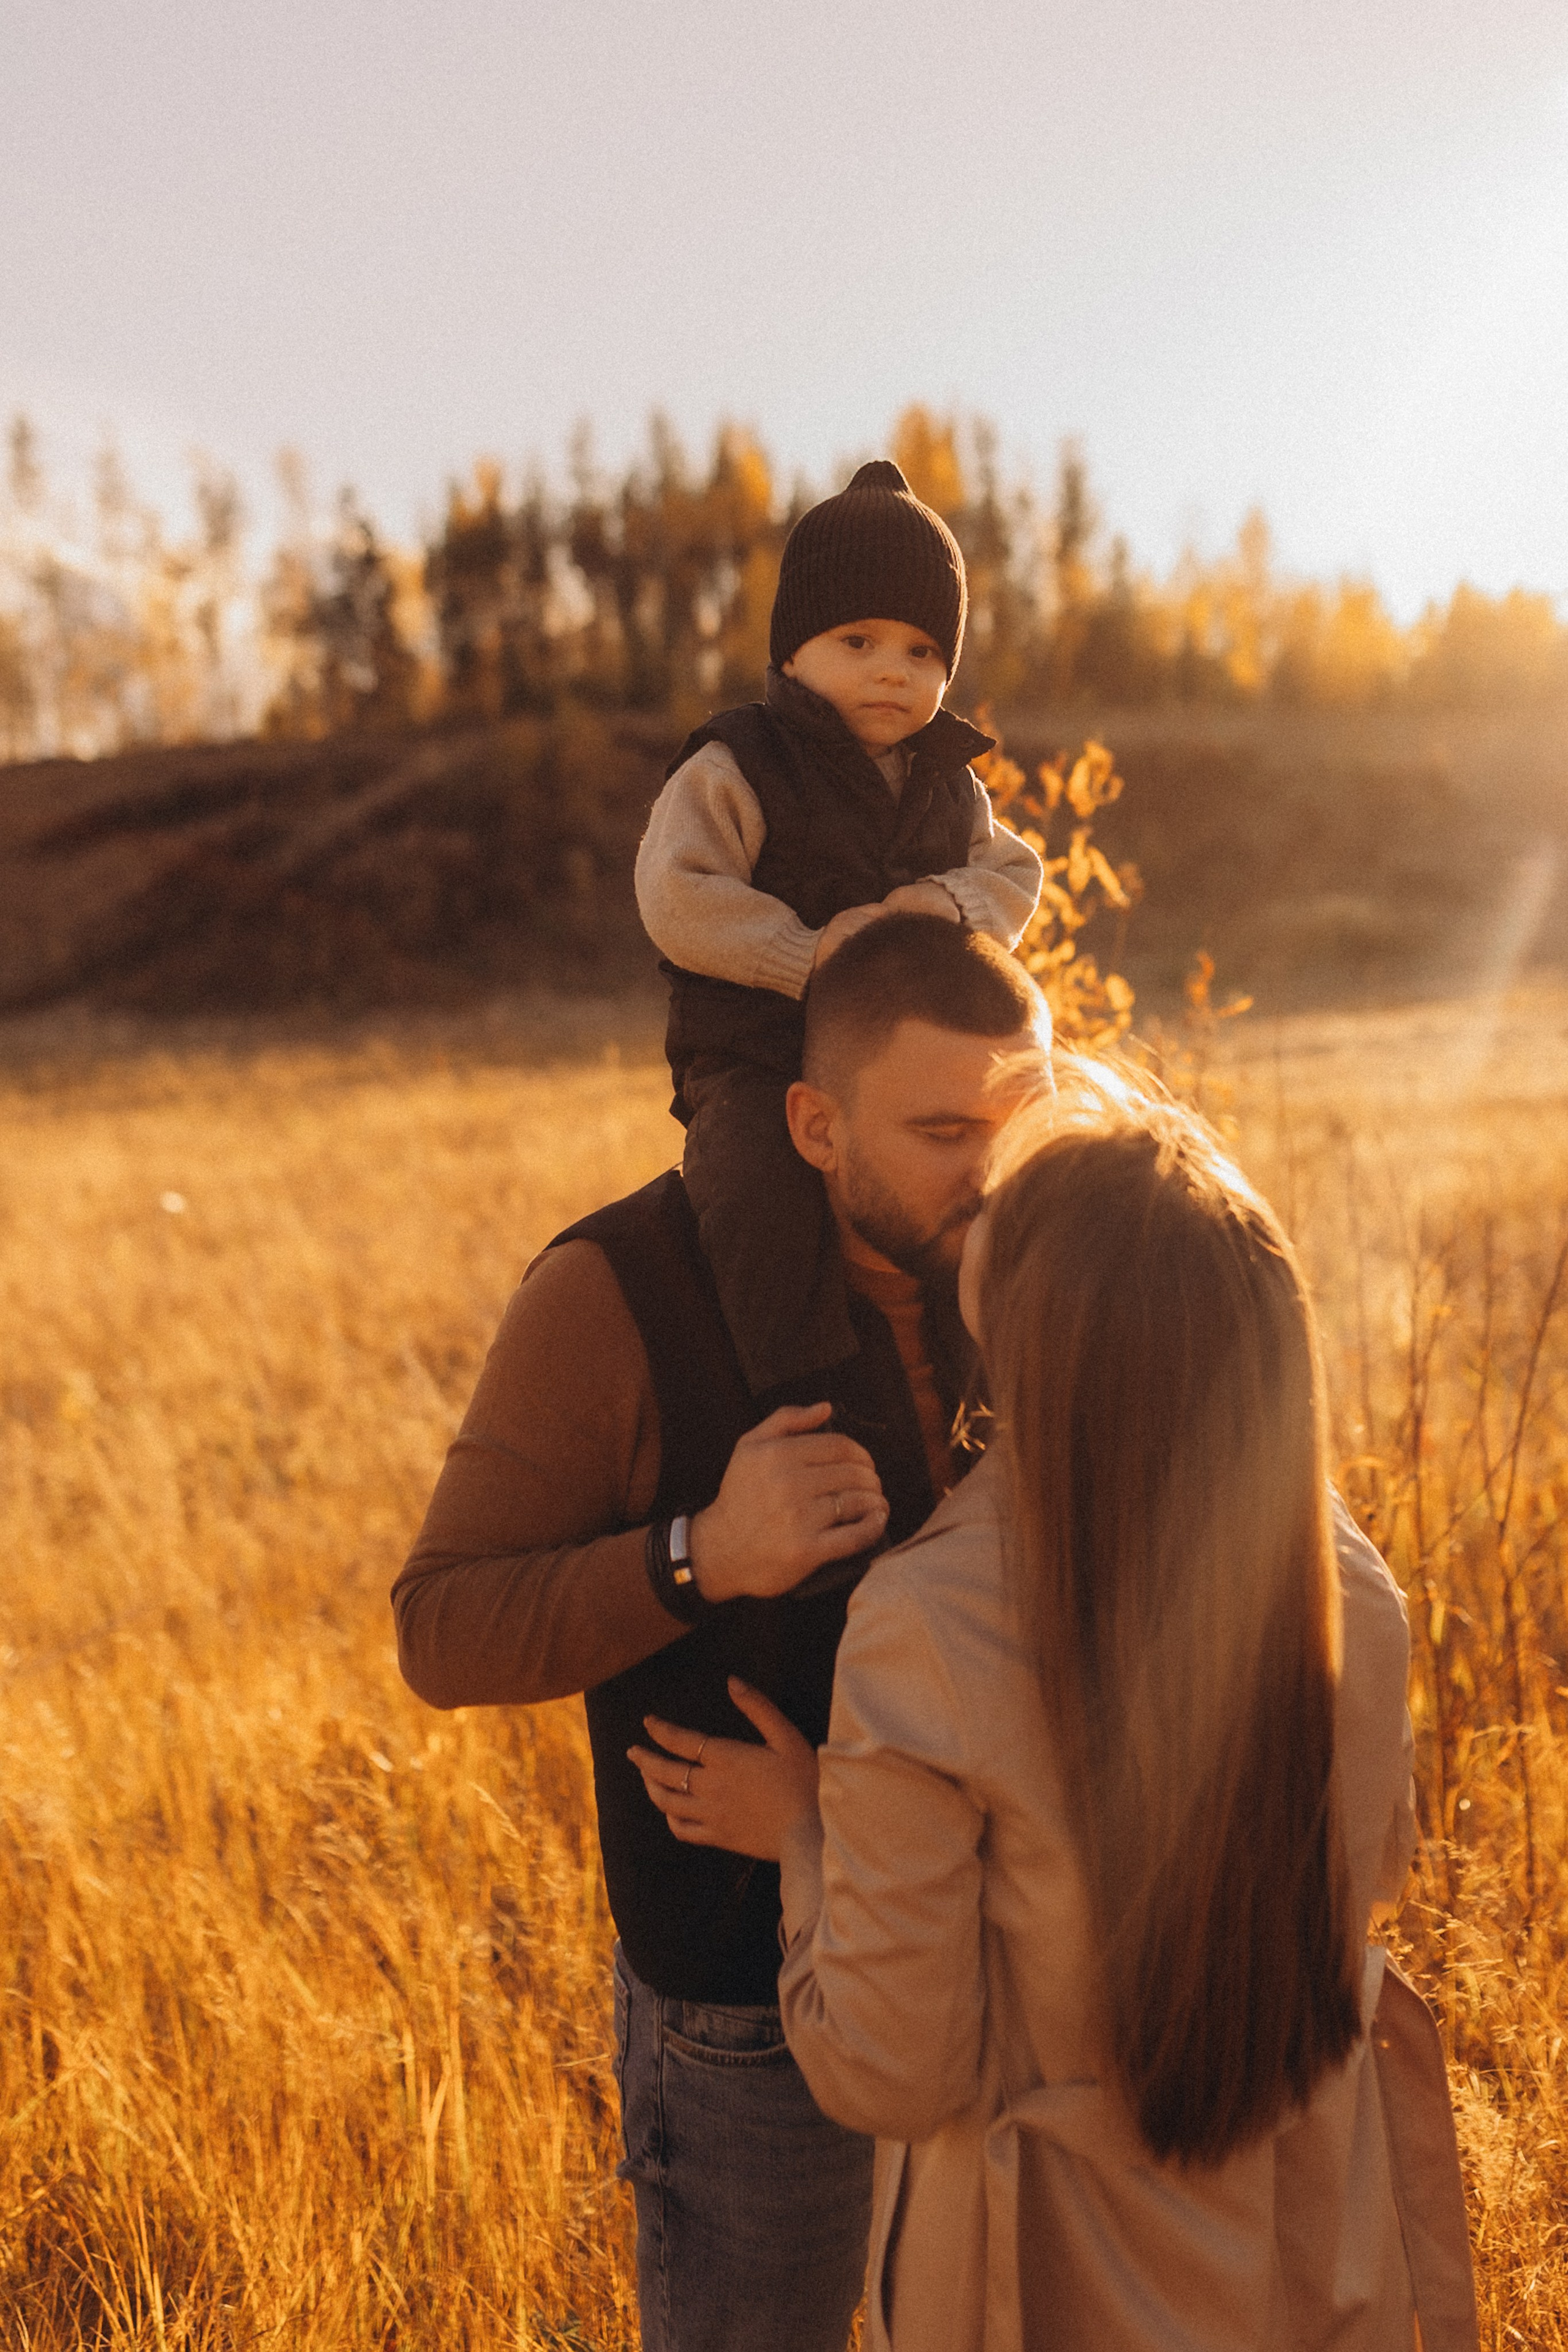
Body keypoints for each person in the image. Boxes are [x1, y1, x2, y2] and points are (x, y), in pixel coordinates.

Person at [631, 1090, 1479, 2351]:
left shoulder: (931, 1618)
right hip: (1313, 2252)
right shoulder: (1347, 1580)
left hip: (1059, 2276)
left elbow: (893, 2067)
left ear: (1030, 1329)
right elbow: (1369, 1871)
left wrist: (808, 1834)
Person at [391, 913, 1052, 2352]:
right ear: (813, 1124)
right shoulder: (621, 1290)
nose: (990, 1168)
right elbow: (438, 1629)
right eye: (941, 1131)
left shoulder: (1029, 1262)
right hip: (750, 2023)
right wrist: (700, 1555)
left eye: (1016, 1119)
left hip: (1009, 1965)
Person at [636, 457, 1042, 1396]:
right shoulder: (739, 763)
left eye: (922, 653)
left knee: (980, 1191)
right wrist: (802, 952)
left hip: (911, 1069)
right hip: (758, 1054)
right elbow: (677, 893)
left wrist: (949, 903)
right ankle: (800, 1399)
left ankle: (985, 1389)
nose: (893, 671)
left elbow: (1017, 876)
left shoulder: (951, 782)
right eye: (858, 641)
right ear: (792, 652)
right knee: (757, 1193)